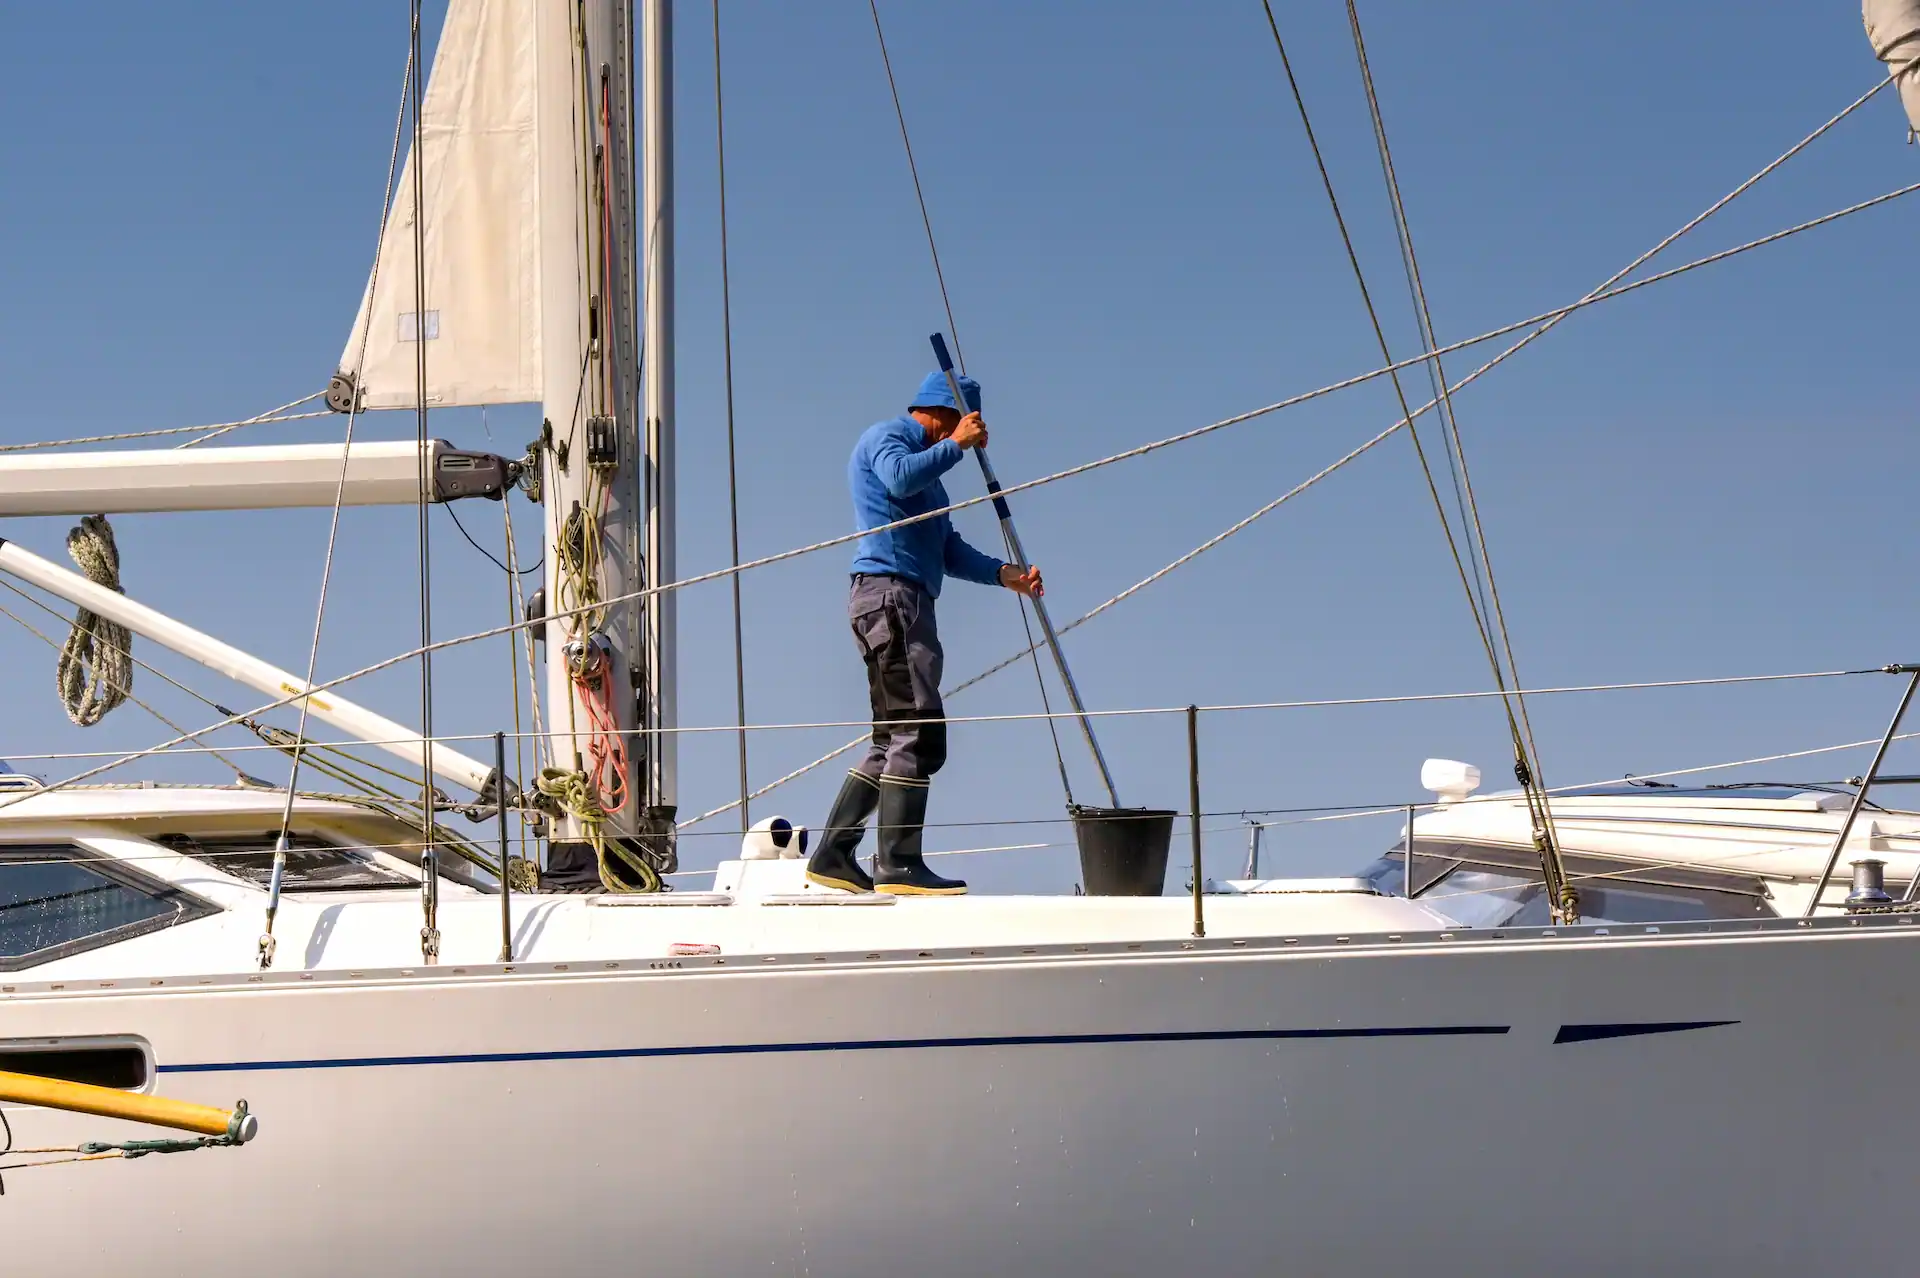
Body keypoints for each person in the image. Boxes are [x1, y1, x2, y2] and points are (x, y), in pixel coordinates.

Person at [805, 370, 1043, 895]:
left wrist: (1005, 575)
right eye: (956, 423)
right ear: (939, 412)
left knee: (892, 735)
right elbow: (897, 479)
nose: (956, 434)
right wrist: (957, 446)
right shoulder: (887, 439)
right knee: (918, 728)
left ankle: (833, 854)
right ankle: (897, 864)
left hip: (901, 600)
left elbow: (948, 548)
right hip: (892, 596)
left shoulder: (931, 480)